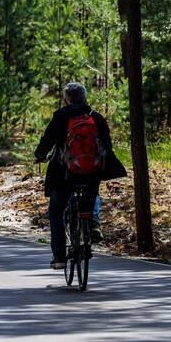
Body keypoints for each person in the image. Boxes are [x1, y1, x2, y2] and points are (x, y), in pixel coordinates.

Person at [34, 82, 127, 270]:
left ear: (66, 99)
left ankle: (59, 257)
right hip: (91, 173)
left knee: (56, 211)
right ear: (84, 97)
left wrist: (39, 156)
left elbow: (47, 141)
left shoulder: (60, 117)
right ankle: (92, 224)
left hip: (64, 174)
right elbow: (107, 145)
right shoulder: (96, 118)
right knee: (92, 197)